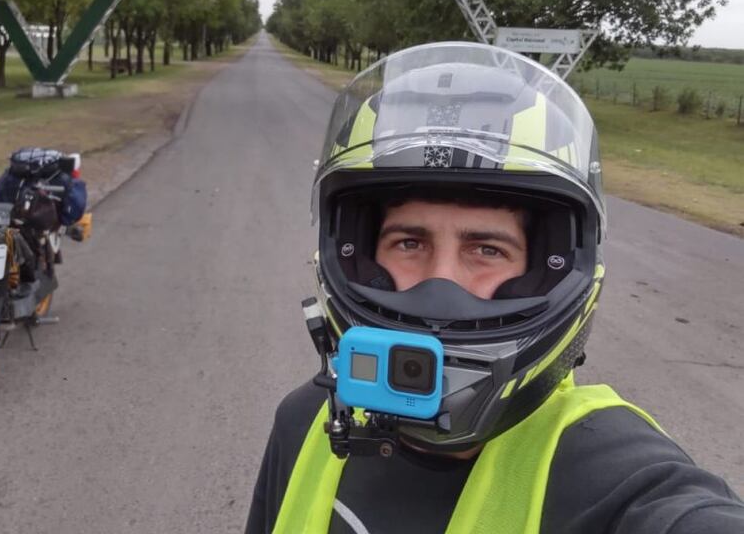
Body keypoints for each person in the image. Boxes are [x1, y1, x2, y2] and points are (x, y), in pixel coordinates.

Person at [245, 42, 744, 533]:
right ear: (358, 255)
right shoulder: (304, 422)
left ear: (548, 267)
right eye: (408, 242)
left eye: (486, 249)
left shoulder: (617, 476)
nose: (440, 286)